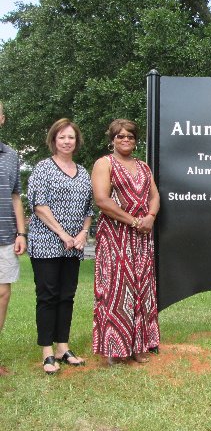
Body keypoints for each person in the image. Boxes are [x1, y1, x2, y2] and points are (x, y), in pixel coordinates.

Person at [92, 119, 160, 366]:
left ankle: (139, 345)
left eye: (130, 136)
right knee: (117, 289)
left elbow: (155, 195)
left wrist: (150, 217)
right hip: (116, 235)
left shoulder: (143, 167)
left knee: (141, 288)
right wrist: (133, 221)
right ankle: (115, 347)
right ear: (112, 139)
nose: (126, 140)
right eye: (120, 136)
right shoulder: (104, 164)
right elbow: (102, 200)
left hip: (142, 236)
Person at [28, 118, 93, 375]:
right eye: (62, 137)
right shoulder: (43, 168)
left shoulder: (83, 172)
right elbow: (39, 206)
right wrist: (63, 234)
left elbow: (89, 208)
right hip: (46, 243)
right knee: (48, 296)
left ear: (77, 141)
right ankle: (46, 352)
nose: (67, 141)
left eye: (71, 137)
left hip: (74, 246)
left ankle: (62, 348)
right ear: (53, 140)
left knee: (67, 296)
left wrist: (82, 233)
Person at [0, 102, 27, 376]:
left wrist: (21, 233)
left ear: (2, 119)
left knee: (3, 294)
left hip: (5, 235)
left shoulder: (10, 155)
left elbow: (15, 196)